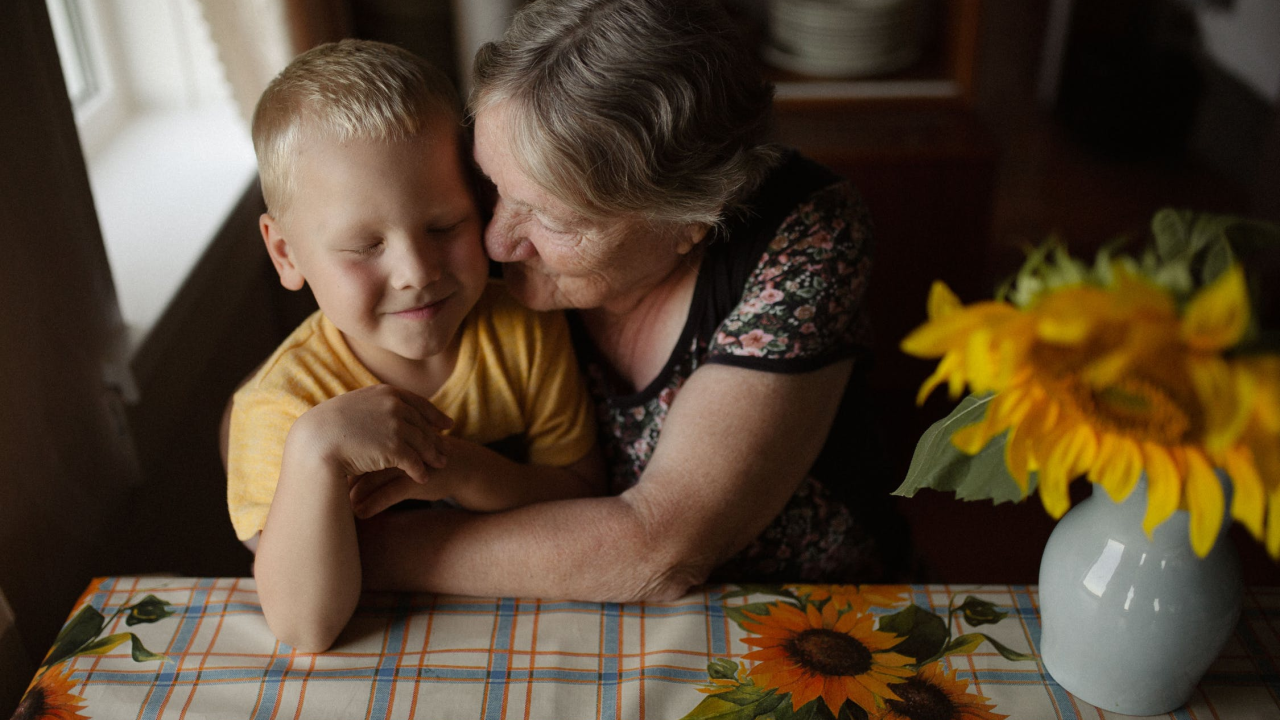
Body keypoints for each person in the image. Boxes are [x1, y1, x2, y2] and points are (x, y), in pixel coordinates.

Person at [345, 0, 909, 600]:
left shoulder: (806, 231)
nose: (495, 242)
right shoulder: (463, 228)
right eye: (490, 185)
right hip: (548, 611)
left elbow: (660, 551)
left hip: (803, 615)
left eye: (553, 220)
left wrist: (349, 555)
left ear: (692, 219)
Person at [226, 39, 604, 653]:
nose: (416, 271)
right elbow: (303, 628)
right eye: (364, 246)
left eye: (444, 226)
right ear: (285, 253)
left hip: (542, 636)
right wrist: (317, 451)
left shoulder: (526, 330)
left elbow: (584, 494)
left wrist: (458, 469)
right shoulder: (284, 406)